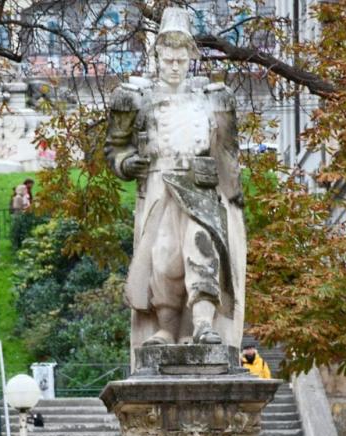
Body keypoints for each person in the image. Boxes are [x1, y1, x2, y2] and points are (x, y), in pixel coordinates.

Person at [105, 7, 246, 349]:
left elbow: (228, 153)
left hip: (200, 186)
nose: (174, 66)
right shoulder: (135, 98)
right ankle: (166, 327)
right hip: (158, 184)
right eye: (168, 59)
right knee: (164, 257)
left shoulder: (213, 99)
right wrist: (127, 164)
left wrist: (233, 201)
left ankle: (201, 324)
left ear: (189, 59)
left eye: (181, 60)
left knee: (202, 249)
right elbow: (115, 148)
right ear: (157, 56)